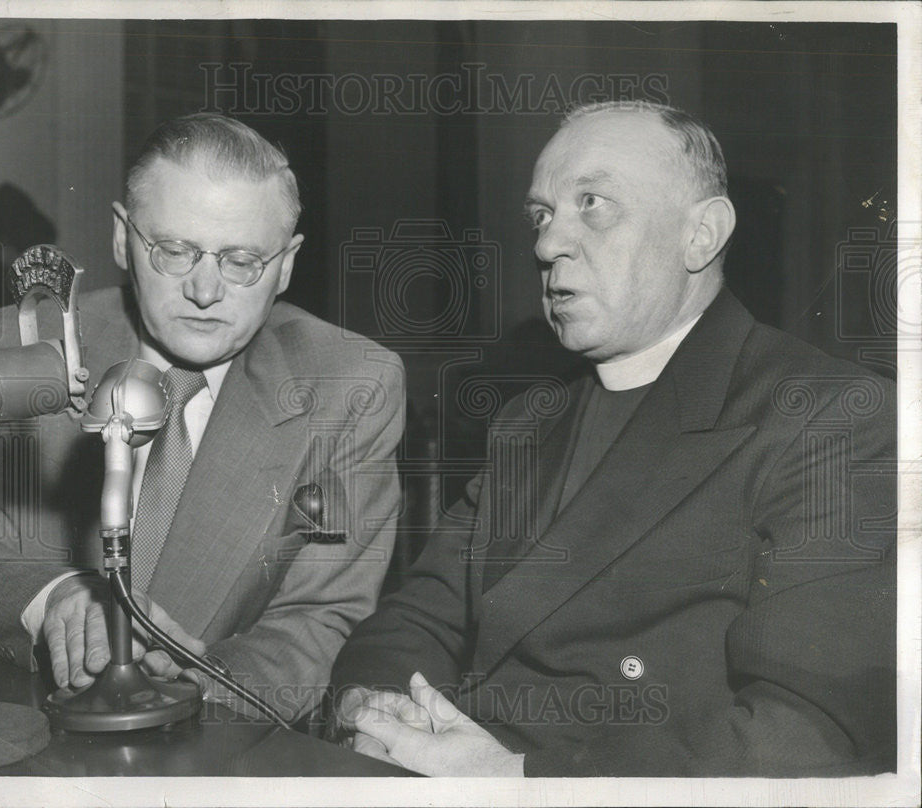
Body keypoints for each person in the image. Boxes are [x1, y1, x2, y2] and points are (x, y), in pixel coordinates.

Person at [328, 101, 896, 776]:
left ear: (702, 234)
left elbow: (805, 736)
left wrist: (516, 783)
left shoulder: (829, 416)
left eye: (592, 203)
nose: (545, 245)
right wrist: (380, 709)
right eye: (541, 215)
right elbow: (417, 619)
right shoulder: (529, 421)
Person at [0, 113, 404, 722]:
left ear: (287, 264)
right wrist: (53, 596)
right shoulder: (13, 348)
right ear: (122, 238)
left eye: (242, 260)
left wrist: (192, 695)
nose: (204, 289)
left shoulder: (350, 386)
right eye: (173, 250)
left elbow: (319, 617)